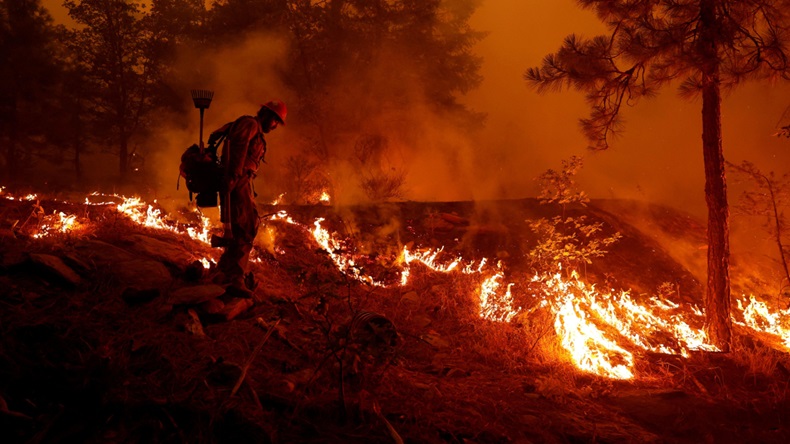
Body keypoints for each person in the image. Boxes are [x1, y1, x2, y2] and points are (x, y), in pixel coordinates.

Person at [208, 99, 287, 297]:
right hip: (238, 181)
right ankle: (235, 278)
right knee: (245, 227)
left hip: (242, 181)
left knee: (242, 227)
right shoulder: (250, 124)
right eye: (275, 120)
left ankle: (224, 271)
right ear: (267, 115)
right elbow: (237, 151)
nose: (275, 126)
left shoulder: (255, 128)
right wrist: (233, 179)